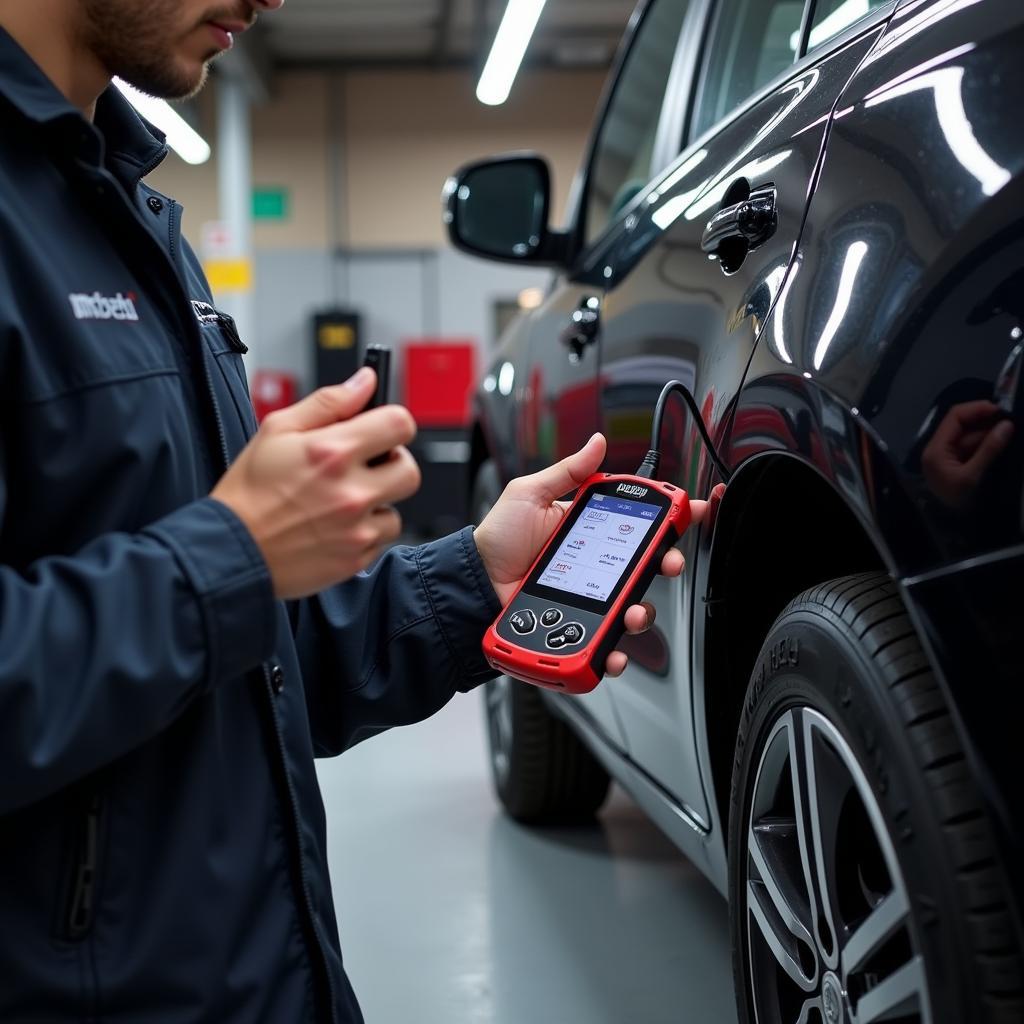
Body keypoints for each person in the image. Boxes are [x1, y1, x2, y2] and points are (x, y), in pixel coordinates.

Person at [0, 1, 712, 1020]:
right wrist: (235, 552)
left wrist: (473, 579)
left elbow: (246, 664)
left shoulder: (129, 214)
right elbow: (209, 591)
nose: (270, 0)